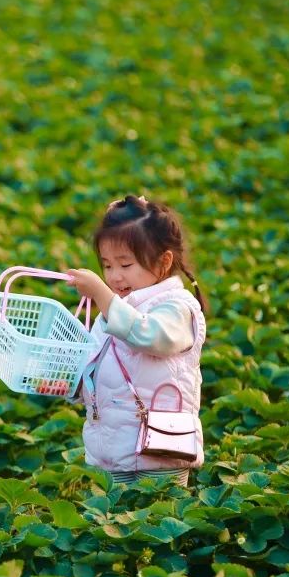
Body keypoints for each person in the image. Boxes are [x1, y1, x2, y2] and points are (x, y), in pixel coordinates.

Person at [66, 195, 208, 488]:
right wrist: (68, 381)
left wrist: (101, 295)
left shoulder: (177, 308)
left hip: (161, 449)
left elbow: (148, 336)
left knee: (159, 517)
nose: (114, 277)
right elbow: (94, 368)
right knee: (113, 523)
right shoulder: (111, 312)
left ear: (164, 261)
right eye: (106, 266)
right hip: (110, 447)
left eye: (125, 264)